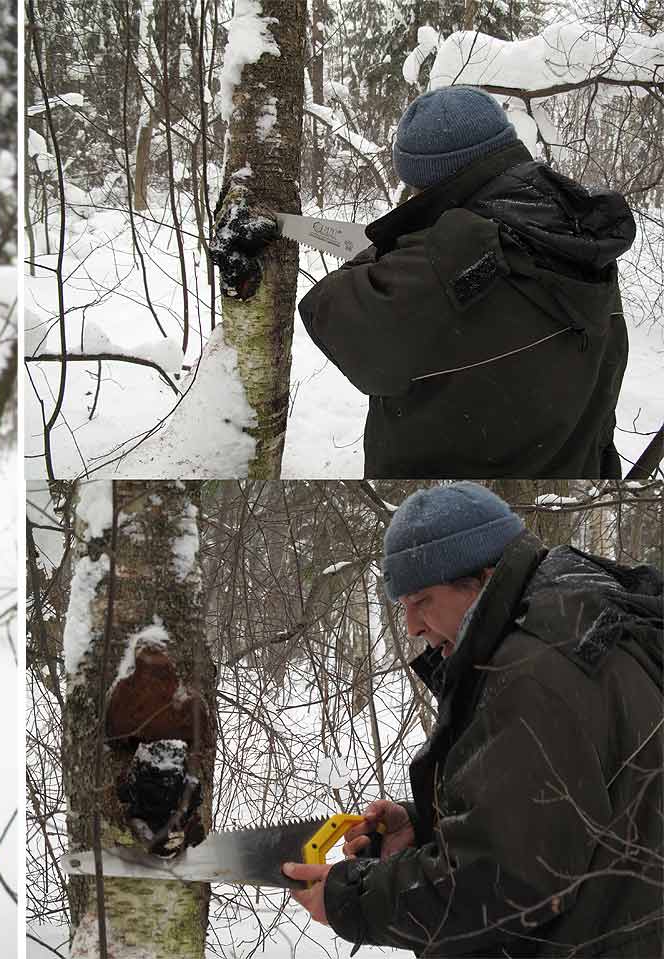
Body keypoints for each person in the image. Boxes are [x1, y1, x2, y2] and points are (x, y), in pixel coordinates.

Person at [282, 482, 663, 957]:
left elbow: (506, 881)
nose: (412, 627)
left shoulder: (534, 669)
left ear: (481, 578)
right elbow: (560, 815)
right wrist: (427, 826)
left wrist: (354, 900)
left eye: (422, 601)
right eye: (403, 607)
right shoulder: (573, 626)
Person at [297, 87, 635, 478]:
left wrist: (390, 247)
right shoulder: (567, 229)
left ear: (429, 183)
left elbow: (330, 310)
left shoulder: (450, 257)